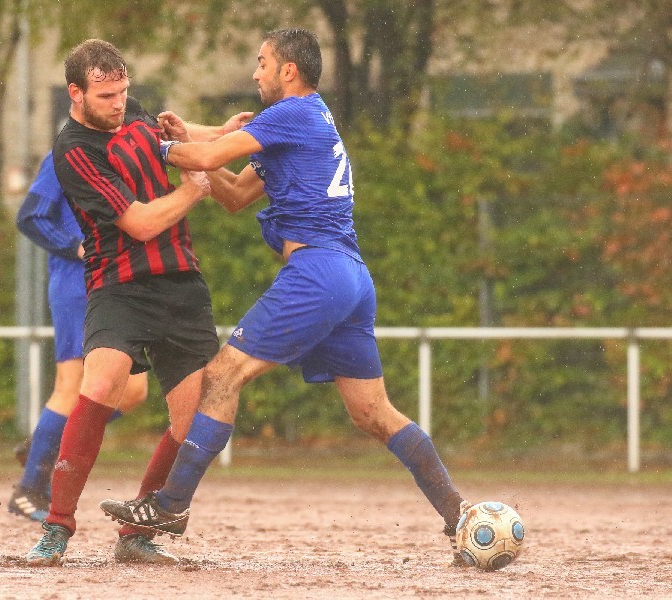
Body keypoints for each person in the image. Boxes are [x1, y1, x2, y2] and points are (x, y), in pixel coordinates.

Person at [99, 28, 472, 566]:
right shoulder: (303, 122)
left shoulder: (293, 114)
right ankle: (460, 517)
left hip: (317, 272)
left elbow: (210, 157)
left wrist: (147, 143)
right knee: (372, 412)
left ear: (289, 70)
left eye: (262, 62)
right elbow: (231, 194)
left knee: (222, 376)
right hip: (349, 277)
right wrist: (186, 151)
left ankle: (171, 505)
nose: (255, 73)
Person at [24, 38, 250, 567]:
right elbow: (141, 222)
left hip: (181, 287)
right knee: (99, 384)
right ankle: (56, 526)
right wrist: (195, 191)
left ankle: (135, 533)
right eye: (106, 96)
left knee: (189, 422)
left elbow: (170, 138)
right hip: (118, 287)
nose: (119, 103)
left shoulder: (134, 113)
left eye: (123, 91)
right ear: (75, 93)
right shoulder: (74, 150)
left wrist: (224, 133)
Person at [8, 151, 149, 527]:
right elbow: (30, 216)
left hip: (117, 282)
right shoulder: (65, 155)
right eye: (106, 95)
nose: (117, 105)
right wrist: (77, 246)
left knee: (134, 391)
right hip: (76, 281)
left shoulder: (123, 151)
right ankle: (29, 490)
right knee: (71, 386)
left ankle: (48, 445)